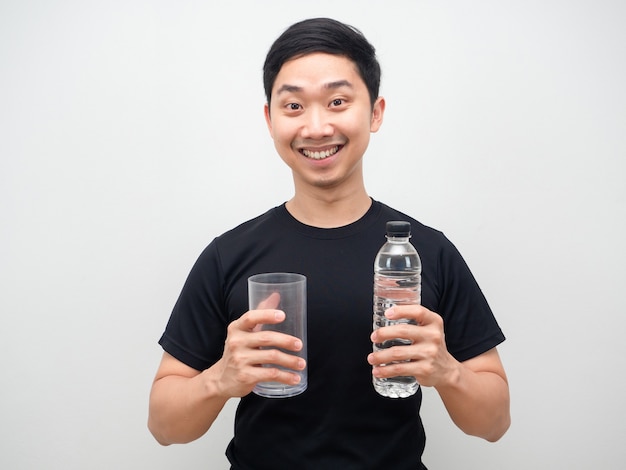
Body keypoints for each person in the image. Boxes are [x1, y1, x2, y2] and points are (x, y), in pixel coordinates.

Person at [148, 17, 510, 469]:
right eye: (294, 106)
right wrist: (220, 379)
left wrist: (447, 371)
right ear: (270, 119)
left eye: (337, 101)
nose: (316, 127)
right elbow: (163, 427)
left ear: (375, 112)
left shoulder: (427, 252)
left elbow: (494, 424)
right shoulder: (229, 254)